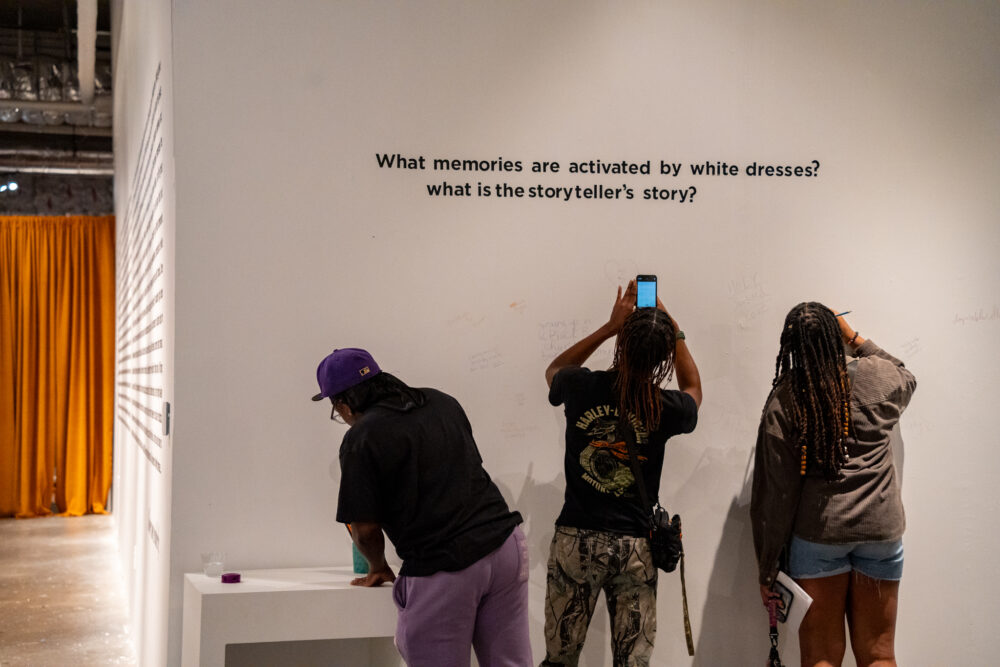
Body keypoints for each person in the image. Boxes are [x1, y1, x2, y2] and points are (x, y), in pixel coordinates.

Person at [312, 347, 532, 667]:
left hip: (446, 564)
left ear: (343, 404)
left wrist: (377, 566)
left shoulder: (361, 437)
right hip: (506, 545)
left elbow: (364, 529)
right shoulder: (441, 401)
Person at [540, 280, 702, 667]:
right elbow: (694, 386)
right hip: (634, 550)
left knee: (559, 661)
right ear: (662, 358)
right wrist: (671, 327)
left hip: (576, 541)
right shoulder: (667, 406)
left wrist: (610, 326)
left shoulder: (581, 386)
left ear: (621, 345)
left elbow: (553, 371)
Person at [751, 304, 917, 667]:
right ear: (835, 335)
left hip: (819, 535)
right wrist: (855, 338)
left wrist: (767, 569)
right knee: (879, 654)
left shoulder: (787, 397)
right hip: (881, 531)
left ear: (791, 346)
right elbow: (907, 376)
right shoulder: (879, 377)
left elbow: (776, 494)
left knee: (822, 658)